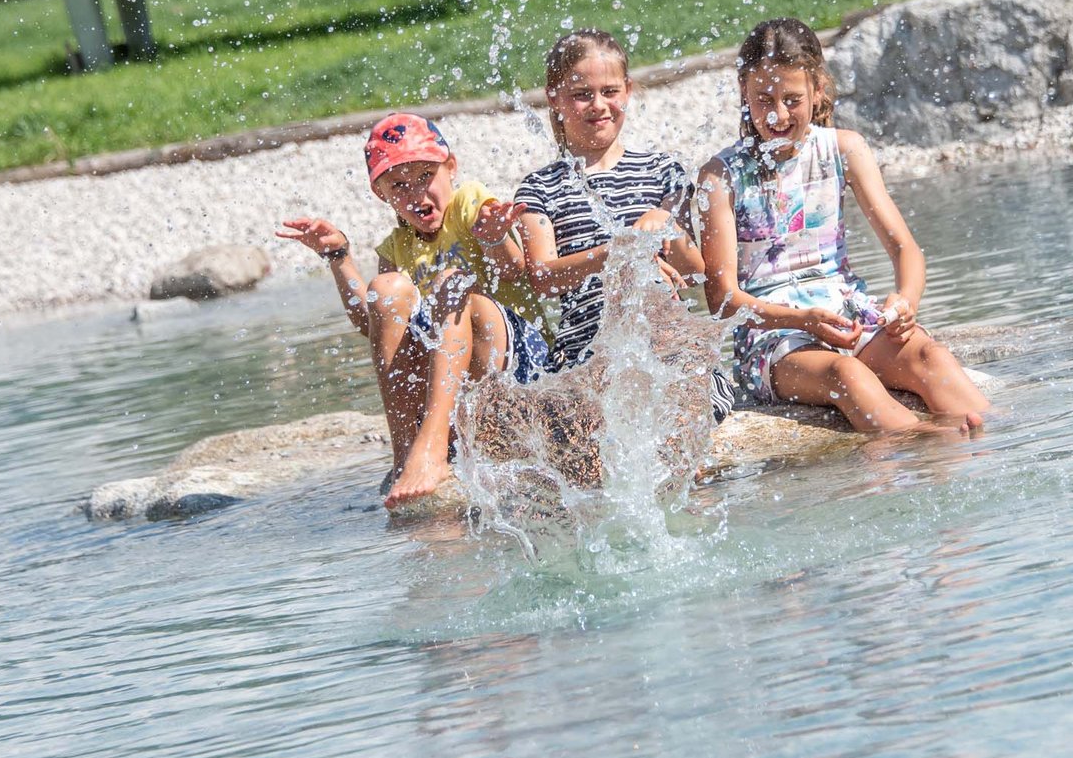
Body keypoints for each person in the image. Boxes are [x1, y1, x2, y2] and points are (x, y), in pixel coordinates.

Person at [696, 17, 991, 434]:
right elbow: (723, 301)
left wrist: (904, 303)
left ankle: (997, 437)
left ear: (817, 89)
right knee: (847, 376)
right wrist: (803, 321)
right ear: (744, 92)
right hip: (775, 340)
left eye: (792, 99)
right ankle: (927, 440)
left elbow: (905, 250)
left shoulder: (843, 149)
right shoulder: (720, 176)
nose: (778, 114)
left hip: (849, 317)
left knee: (933, 358)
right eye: (763, 99)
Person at [278, 113, 549, 508]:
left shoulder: (469, 202)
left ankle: (437, 444)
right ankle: (407, 453)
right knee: (386, 289)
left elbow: (513, 270)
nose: (416, 193)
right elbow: (372, 324)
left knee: (451, 283)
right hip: (458, 380)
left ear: (450, 168)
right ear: (381, 195)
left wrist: (493, 240)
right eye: (399, 186)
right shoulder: (395, 247)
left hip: (515, 359)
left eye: (425, 176)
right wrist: (339, 257)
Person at [513, 29, 735, 420]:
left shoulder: (663, 172)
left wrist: (666, 222)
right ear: (555, 98)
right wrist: (618, 252)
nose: (598, 105)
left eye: (610, 91)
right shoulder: (540, 187)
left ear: (628, 90)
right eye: (582, 94)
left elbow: (695, 272)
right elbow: (544, 277)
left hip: (664, 342)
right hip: (587, 348)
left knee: (681, 391)